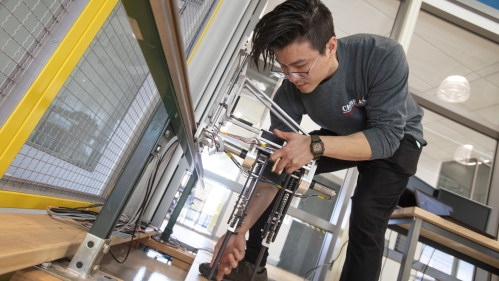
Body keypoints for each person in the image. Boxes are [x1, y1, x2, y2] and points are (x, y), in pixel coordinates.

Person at [199, 0, 426, 280]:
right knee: (282, 164)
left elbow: (386, 137)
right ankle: (250, 266)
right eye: (284, 67)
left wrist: (314, 145)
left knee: (367, 214)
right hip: (345, 134)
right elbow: (274, 166)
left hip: (398, 138)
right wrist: (238, 229)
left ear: (330, 47)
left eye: (300, 66)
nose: (292, 77)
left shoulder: (380, 54)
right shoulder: (290, 90)